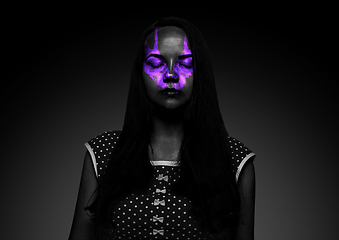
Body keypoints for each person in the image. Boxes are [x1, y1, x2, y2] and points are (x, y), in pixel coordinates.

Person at [68, 17, 256, 240]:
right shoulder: (103, 153)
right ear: (140, 73)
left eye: (185, 63)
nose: (170, 74)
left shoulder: (234, 159)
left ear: (201, 73)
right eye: (157, 63)